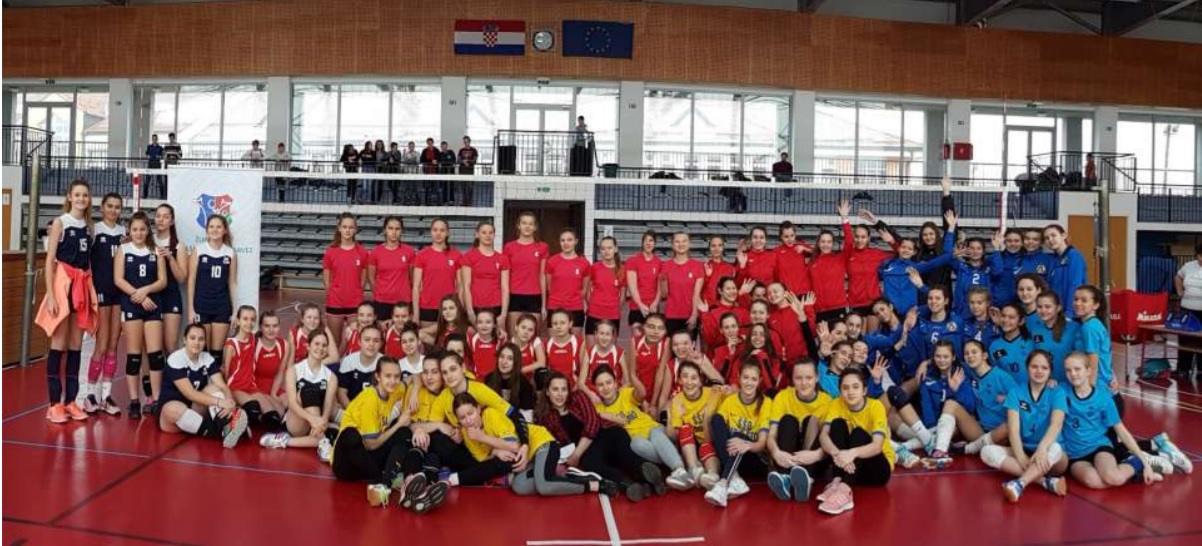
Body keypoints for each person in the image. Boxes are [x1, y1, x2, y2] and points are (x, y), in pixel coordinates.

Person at [331, 357, 448, 513]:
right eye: (388, 376)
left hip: (369, 460)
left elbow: (415, 376)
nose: (393, 381)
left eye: (396, 376)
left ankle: (392, 484)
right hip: (347, 465)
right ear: (377, 377)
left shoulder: (395, 389)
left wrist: (414, 392)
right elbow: (371, 445)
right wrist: (399, 423)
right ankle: (380, 482)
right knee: (351, 434)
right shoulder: (370, 399)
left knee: (405, 433)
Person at [453, 391, 617, 498]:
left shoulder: (490, 414)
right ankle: (565, 476)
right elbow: (482, 459)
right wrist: (495, 452)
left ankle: (594, 485)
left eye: (470, 413)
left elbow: (515, 446)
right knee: (519, 487)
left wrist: (483, 438)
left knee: (544, 486)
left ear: (478, 409)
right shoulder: (467, 434)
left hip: (542, 443)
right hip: (529, 460)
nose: (468, 420)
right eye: (462, 418)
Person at [537, 371, 663, 502]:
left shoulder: (578, 397)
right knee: (592, 464)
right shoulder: (546, 417)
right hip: (587, 452)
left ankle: (645, 472)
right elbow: (552, 442)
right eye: (555, 389)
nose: (560, 394)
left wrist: (576, 454)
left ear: (568, 391)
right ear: (547, 392)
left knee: (624, 453)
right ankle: (632, 485)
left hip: (605, 433)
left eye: (564, 389)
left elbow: (592, 422)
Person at [1061, 352, 1175, 489]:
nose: (1073, 374)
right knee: (1094, 482)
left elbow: (1121, 430)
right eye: (1068, 370)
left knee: (1114, 478)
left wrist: (1144, 461)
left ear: (1088, 371)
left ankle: (1142, 461)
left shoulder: (1103, 396)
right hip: (1075, 454)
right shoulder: (1061, 391)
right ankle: (1137, 473)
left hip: (1099, 447)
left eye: (1077, 369)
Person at [36, 179, 95, 423]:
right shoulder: (61, 222)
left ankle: (71, 401)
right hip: (63, 285)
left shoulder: (89, 227)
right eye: (77, 194)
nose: (81, 198)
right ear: (69, 197)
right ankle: (54, 404)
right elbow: (50, 260)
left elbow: (88, 262)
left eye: (85, 195)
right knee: (58, 344)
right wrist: (51, 295)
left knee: (76, 345)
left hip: (81, 286)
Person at [980, 350, 1069, 503]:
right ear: (1027, 368)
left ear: (1050, 371)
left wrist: (1042, 449)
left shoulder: (1057, 392)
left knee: (1054, 447)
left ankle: (1020, 483)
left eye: (1044, 368)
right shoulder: (1016, 392)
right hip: (1027, 451)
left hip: (1053, 456)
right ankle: (1046, 482)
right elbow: (1013, 430)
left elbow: (1056, 424)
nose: (1039, 371)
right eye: (1034, 366)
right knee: (986, 452)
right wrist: (1020, 456)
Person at [591, 365, 693, 490]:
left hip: (655, 430)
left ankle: (679, 470)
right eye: (600, 385)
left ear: (615, 383)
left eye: (608, 382)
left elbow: (641, 394)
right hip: (639, 441)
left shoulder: (625, 393)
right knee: (636, 444)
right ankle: (678, 459)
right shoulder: (597, 409)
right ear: (595, 388)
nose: (606, 387)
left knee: (655, 434)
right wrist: (603, 414)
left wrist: (632, 376)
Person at [816, 368, 895, 515]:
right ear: (840, 391)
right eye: (845, 388)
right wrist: (837, 454)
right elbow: (823, 435)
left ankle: (845, 491)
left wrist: (851, 453)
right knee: (837, 424)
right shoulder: (836, 404)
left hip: (877, 471)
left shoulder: (875, 406)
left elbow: (877, 446)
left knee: (859, 432)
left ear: (864, 390)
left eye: (855, 387)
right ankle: (837, 481)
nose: (850, 392)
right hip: (849, 467)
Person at [157, 324, 249, 448]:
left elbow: (222, 386)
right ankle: (220, 432)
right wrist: (220, 402)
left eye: (201, 339)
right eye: (192, 338)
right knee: (173, 408)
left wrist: (230, 402)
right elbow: (190, 394)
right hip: (171, 418)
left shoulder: (206, 358)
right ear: (185, 340)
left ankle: (228, 423)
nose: (197, 343)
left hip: (195, 411)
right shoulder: (176, 359)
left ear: (205, 341)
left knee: (213, 389)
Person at [115, 211, 167, 419]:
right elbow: (118, 279)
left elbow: (162, 281)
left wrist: (146, 291)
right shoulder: (123, 249)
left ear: (148, 230)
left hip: (153, 305)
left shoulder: (156, 250)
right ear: (130, 230)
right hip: (132, 304)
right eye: (135, 229)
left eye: (142, 229)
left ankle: (156, 399)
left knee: (155, 355)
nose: (138, 233)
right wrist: (138, 295)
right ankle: (134, 401)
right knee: (134, 355)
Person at [260, 329, 338, 461]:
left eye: (324, 345)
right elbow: (292, 403)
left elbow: (328, 405)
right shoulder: (294, 370)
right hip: (297, 423)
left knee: (328, 434)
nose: (320, 348)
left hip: (316, 427)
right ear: (308, 346)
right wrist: (313, 419)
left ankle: (284, 440)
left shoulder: (331, 377)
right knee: (308, 390)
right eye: (316, 344)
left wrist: (322, 422)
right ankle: (322, 440)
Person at [704, 361, 772, 508]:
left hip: (754, 459)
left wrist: (746, 444)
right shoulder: (730, 401)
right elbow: (718, 432)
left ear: (760, 381)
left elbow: (762, 444)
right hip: (732, 457)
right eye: (746, 377)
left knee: (738, 436)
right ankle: (734, 478)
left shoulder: (766, 403)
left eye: (754, 379)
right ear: (739, 377)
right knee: (716, 418)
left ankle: (723, 483)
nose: (749, 383)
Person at [83, 193, 125, 415]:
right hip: (100, 292)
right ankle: (90, 393)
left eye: (117, 207)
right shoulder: (94, 230)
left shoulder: (124, 233)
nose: (113, 210)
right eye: (110, 206)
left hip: (119, 292)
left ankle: (106, 395)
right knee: (101, 343)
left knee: (113, 344)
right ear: (102, 207)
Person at [766, 359, 832, 502]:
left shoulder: (827, 401)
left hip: (813, 458)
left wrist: (817, 455)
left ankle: (807, 478)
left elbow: (830, 441)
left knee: (811, 420)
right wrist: (776, 452)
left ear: (817, 378)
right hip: (788, 457)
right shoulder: (783, 396)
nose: (803, 383)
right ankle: (785, 477)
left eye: (808, 378)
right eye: (798, 378)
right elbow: (771, 435)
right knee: (788, 419)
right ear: (792, 379)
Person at [187, 214, 237, 364]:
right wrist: (191, 309)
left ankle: (216, 379)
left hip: (222, 306)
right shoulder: (198, 250)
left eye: (218, 227)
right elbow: (191, 281)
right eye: (211, 226)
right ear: (207, 229)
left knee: (217, 354)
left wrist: (235, 311)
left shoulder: (230, 253)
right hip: (201, 305)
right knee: (202, 351)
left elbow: (232, 283)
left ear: (225, 230)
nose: (215, 230)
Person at [224, 306, 282, 429]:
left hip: (251, 386)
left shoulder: (252, 338)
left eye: (252, 319)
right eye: (245, 319)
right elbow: (225, 372)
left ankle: (249, 420)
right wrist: (228, 396)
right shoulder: (231, 345)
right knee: (253, 409)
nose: (249, 323)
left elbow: (267, 338)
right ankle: (237, 421)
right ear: (238, 321)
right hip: (236, 387)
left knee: (274, 417)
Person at [413, 219, 462, 341]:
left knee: (448, 342)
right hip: (427, 307)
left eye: (442, 230)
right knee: (428, 343)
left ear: (447, 233)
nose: (438, 233)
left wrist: (460, 309)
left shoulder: (456, 255)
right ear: (431, 232)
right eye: (435, 230)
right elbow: (416, 287)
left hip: (449, 308)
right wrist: (416, 314)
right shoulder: (422, 255)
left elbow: (460, 286)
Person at [504, 211, 548, 337]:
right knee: (514, 336)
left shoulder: (542, 247)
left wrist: (543, 305)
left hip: (534, 296)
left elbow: (542, 276)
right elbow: (505, 277)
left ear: (535, 227)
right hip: (514, 296)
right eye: (524, 223)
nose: (527, 226)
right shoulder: (509, 247)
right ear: (518, 226)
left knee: (532, 337)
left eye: (530, 224)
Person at [461, 220, 509, 324]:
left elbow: (505, 288)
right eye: (484, 232)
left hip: (496, 305)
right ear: (477, 234)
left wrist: (504, 314)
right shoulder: (469, 256)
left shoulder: (502, 259)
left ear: (494, 235)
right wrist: (470, 311)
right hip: (476, 306)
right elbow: (466, 286)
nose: (487, 235)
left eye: (490, 232)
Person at [368, 216, 416, 320]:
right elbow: (371, 277)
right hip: (382, 302)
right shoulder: (375, 252)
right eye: (390, 228)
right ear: (384, 230)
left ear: (401, 231)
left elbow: (412, 278)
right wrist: (378, 294)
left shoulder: (410, 252)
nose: (394, 232)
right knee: (382, 329)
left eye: (397, 229)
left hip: (403, 302)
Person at [660, 232, 705, 336]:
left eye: (684, 241)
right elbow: (664, 295)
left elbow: (696, 294)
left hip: (690, 316)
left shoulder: (697, 266)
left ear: (689, 244)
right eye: (677, 241)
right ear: (672, 245)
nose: (681, 244)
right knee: (672, 345)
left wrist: (694, 314)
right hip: (671, 315)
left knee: (689, 345)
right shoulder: (666, 266)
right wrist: (662, 282)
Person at [1043, 224, 1087, 319]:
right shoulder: (1054, 260)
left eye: (1053, 235)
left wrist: (1069, 312)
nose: (1050, 240)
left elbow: (1075, 285)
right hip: (1057, 311)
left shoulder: (1074, 255)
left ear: (1064, 235)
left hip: (1071, 313)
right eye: (1047, 238)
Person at [585, 236, 624, 344]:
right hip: (594, 313)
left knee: (610, 350)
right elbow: (587, 290)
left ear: (615, 249)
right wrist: (591, 305)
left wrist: (616, 308)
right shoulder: (594, 268)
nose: (606, 251)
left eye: (609, 248)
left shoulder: (622, 270)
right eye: (603, 248)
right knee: (591, 350)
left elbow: (623, 294)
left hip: (612, 314)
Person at [626, 230, 662, 338]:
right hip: (637, 308)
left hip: (653, 308)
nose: (648, 243)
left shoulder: (659, 263)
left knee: (652, 340)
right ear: (642, 243)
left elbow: (659, 287)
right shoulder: (633, 261)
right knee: (638, 340)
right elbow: (632, 287)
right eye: (646, 240)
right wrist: (640, 304)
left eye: (651, 240)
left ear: (655, 243)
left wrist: (655, 302)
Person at [1175, 243, 1202, 376]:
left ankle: (1201, 369)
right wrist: (1180, 292)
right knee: (1185, 339)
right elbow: (1178, 277)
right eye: (1200, 255)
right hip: (1187, 309)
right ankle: (1183, 368)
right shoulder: (1188, 266)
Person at [485, 343, 536, 411]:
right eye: (502, 356)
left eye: (510, 359)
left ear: (516, 362)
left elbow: (527, 414)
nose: (504, 362)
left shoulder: (524, 384)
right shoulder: (489, 379)